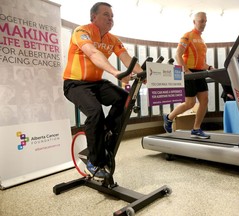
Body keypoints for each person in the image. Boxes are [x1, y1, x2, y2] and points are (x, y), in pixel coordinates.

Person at [62, 2, 143, 180]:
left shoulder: (112, 39)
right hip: (75, 84)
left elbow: (127, 58)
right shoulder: (81, 31)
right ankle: (94, 162)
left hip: (96, 83)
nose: (110, 19)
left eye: (112, 16)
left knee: (124, 98)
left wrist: (142, 74)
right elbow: (92, 53)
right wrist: (115, 73)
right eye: (106, 15)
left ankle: (104, 130)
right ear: (94, 17)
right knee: (95, 112)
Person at [163, 12, 213, 139]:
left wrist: (210, 67)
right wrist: (186, 71)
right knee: (190, 103)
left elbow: (200, 62)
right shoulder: (187, 36)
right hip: (188, 72)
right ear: (194, 22)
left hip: (199, 72)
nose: (204, 23)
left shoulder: (202, 40)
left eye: (205, 21)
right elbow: (178, 54)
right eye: (201, 21)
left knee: (204, 100)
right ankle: (169, 117)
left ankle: (196, 129)